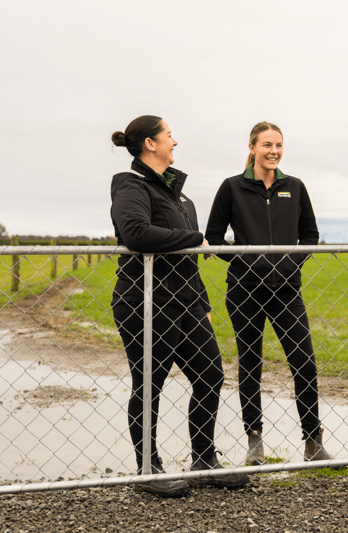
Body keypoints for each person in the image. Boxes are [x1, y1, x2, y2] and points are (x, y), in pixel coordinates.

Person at [110, 115, 249, 497]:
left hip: (187, 302)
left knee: (210, 376)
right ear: (150, 143)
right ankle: (148, 469)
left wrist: (202, 302)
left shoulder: (179, 195)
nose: (175, 141)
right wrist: (193, 237)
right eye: (169, 135)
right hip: (145, 300)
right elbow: (136, 233)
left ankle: (203, 461)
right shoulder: (130, 184)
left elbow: (188, 258)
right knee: (149, 384)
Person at [205, 121, 338, 467]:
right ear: (252, 148)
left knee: (304, 363)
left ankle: (313, 442)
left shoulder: (294, 187)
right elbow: (214, 237)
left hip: (286, 291)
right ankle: (255, 441)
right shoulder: (232, 187)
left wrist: (290, 263)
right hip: (244, 291)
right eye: (266, 145)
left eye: (278, 145)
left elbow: (310, 235)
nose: (274, 151)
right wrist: (246, 260)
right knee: (250, 364)